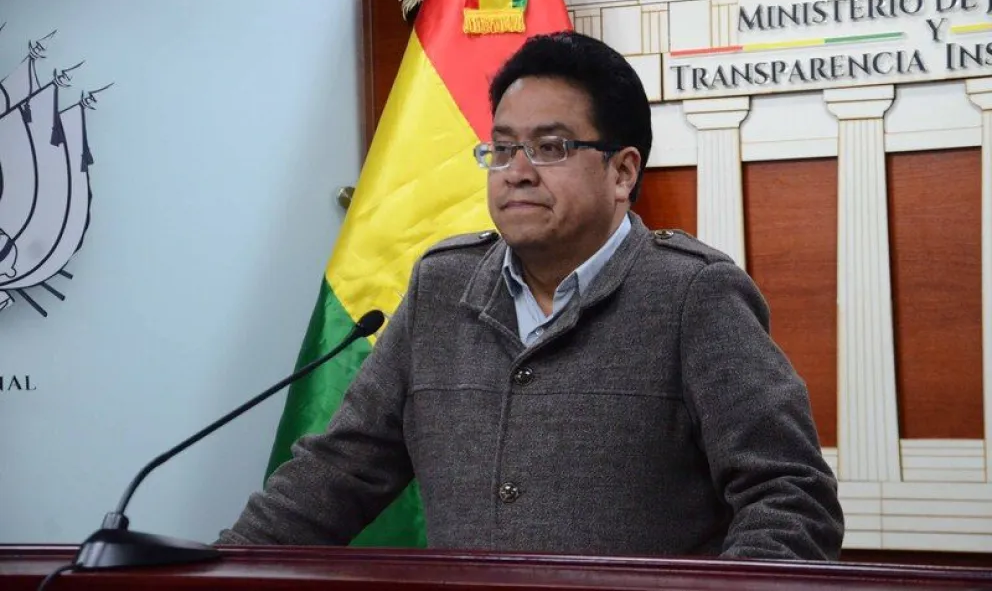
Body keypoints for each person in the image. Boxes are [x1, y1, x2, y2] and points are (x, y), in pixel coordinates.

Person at [217, 31, 844, 560]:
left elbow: (791, 497)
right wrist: (221, 567)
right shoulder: (442, 287)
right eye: (502, 148)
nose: (516, 171)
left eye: (550, 148)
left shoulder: (692, 294)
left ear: (623, 171)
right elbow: (340, 470)